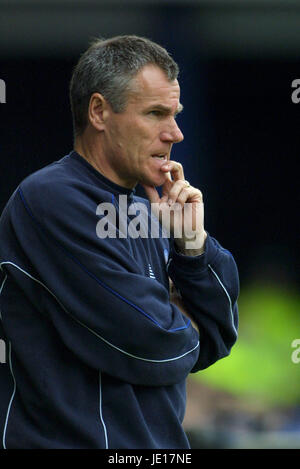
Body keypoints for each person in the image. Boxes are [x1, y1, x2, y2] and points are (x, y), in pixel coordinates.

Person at [0, 35, 239, 449]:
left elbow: (218, 337)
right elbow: (152, 343)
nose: (175, 134)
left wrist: (192, 247)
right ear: (99, 112)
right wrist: (176, 313)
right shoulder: (50, 198)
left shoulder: (153, 209)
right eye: (155, 114)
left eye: (176, 114)